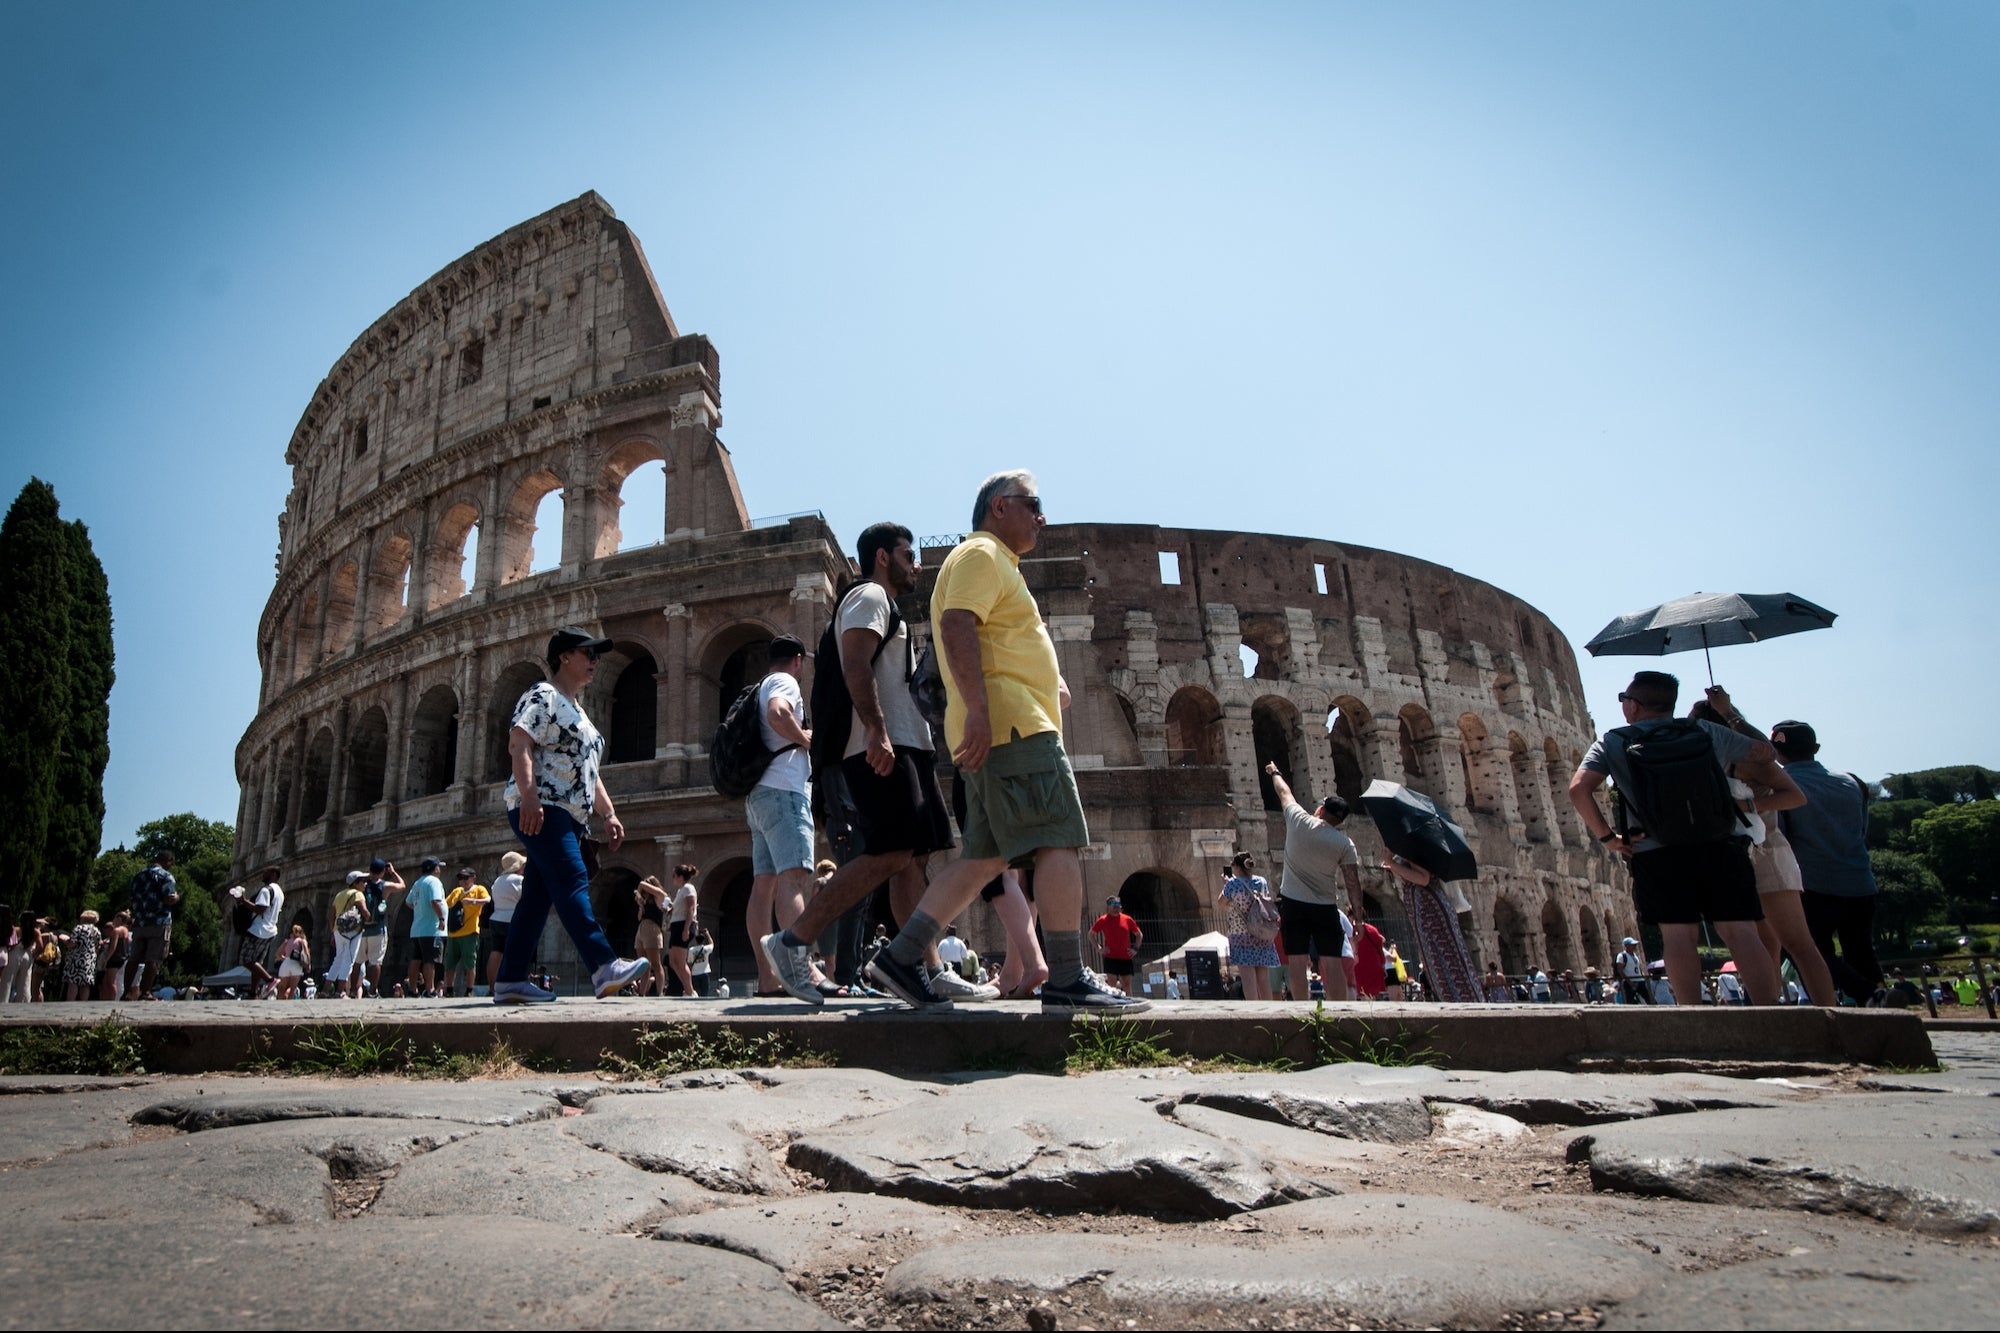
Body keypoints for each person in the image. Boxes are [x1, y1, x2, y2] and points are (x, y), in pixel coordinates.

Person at [864, 470, 1144, 1012]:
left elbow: (983, 634)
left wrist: (1040, 683)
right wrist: (982, 712)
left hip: (1004, 725)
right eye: (1033, 504)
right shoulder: (981, 556)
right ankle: (1065, 976)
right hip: (1013, 728)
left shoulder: (994, 563)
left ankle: (901, 957)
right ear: (999, 507)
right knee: (1059, 838)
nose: (1042, 517)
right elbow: (956, 625)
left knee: (984, 859)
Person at [761, 524, 971, 1006]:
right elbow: (855, 661)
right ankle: (792, 942)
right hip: (877, 744)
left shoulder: (886, 604)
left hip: (906, 743)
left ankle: (927, 967)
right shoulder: (870, 595)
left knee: (913, 857)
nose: (915, 563)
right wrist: (875, 730)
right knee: (890, 851)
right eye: (907, 553)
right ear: (882, 556)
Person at [1568, 671, 1781, 1008]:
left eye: (1624, 700)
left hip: (1657, 850)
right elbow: (1766, 753)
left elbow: (1579, 789)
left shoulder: (1614, 741)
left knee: (1678, 936)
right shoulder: (1705, 730)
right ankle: (1775, 1017)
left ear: (1634, 706)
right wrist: (1729, 713)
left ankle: (1692, 1019)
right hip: (1718, 843)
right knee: (1742, 933)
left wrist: (1609, 837)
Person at [495, 626, 650, 1004]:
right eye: (588, 653)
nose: (596, 661)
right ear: (564, 656)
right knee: (571, 877)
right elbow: (520, 744)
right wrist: (529, 796)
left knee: (536, 898)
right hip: (543, 807)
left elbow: (589, 774)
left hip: (568, 813)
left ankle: (510, 980)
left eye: (597, 656)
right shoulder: (542, 695)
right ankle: (603, 966)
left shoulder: (581, 714)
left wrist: (609, 814)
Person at [1690, 692, 1839, 1007]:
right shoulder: (1705, 763)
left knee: (1797, 943)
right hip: (1731, 857)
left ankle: (1832, 1016)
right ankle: (1770, 1011)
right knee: (1761, 944)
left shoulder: (1748, 760)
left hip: (1766, 852)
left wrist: (1748, 805)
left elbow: (1794, 796)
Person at [1769, 719, 1884, 1004]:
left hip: (1814, 883)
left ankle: (1866, 994)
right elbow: (1861, 831)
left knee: (1804, 950)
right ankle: (1880, 1005)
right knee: (1860, 949)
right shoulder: (1852, 782)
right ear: (1816, 748)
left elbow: (1782, 837)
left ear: (1775, 752)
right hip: (1859, 880)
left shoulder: (1782, 788)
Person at [744, 633, 816, 998]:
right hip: (784, 792)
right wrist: (806, 739)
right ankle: (803, 973)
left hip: (760, 796)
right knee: (795, 880)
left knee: (764, 886)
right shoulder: (784, 681)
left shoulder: (761, 684)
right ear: (798, 660)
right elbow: (778, 713)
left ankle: (768, 979)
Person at [1261, 762, 1364, 1003]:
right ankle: (1338, 1011)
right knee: (1332, 960)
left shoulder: (1299, 820)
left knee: (1296, 960)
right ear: (1341, 821)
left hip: (1293, 903)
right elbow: (1353, 883)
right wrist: (1358, 919)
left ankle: (1301, 1008)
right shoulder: (1344, 844)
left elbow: (1284, 792)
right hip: (1325, 905)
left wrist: (1275, 772)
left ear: (1320, 809)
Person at [1221, 854, 1279, 1001]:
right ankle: (1269, 1010)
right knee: (1263, 978)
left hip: (1241, 935)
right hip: (1261, 932)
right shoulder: (1262, 881)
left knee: (1248, 979)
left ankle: (1255, 1012)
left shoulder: (1232, 884)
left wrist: (1226, 884)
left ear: (1236, 866)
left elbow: (1222, 901)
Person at [125, 849, 180, 1000]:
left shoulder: (138, 875)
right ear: (168, 860)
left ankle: (127, 992)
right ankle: (145, 992)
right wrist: (176, 898)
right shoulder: (166, 876)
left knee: (134, 959)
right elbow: (168, 898)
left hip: (140, 921)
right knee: (153, 958)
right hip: (159, 921)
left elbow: (131, 899)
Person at [360, 858, 404, 997]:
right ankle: (373, 991)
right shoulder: (385, 886)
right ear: (383, 871)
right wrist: (393, 872)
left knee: (357, 962)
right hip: (377, 928)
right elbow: (402, 885)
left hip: (361, 929)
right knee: (376, 962)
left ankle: (354, 990)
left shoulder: (363, 885)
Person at [405, 857, 448, 998]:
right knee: (430, 960)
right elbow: (435, 901)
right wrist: (441, 918)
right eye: (439, 867)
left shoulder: (418, 883)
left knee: (416, 959)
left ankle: (412, 989)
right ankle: (430, 989)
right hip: (431, 928)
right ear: (435, 868)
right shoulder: (434, 881)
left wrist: (421, 910)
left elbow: (409, 902)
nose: (440, 870)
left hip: (417, 928)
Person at [443, 868, 489, 996]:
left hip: (470, 931)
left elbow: (487, 900)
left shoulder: (479, 889)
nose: (462, 881)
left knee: (469, 962)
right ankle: (449, 989)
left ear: (473, 878)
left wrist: (472, 901)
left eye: (465, 878)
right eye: (460, 878)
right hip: (454, 932)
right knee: (449, 963)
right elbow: (446, 904)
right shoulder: (457, 891)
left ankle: (469, 990)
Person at [240, 866, 285, 998]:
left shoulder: (266, 890)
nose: (263, 874)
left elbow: (260, 909)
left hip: (258, 929)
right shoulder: (280, 892)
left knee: (246, 960)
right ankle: (253, 993)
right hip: (270, 930)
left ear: (273, 874)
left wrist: (244, 901)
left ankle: (270, 980)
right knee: (257, 962)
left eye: (265, 872)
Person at [482, 852, 524, 990]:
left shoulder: (497, 881)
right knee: (515, 951)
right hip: (512, 918)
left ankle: (492, 987)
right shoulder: (519, 880)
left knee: (496, 952)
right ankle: (513, 983)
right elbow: (523, 899)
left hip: (496, 918)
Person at [1088, 897, 1143, 995]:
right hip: (1111, 957)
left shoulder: (1127, 919)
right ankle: (1113, 1003)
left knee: (1126, 984)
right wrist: (1099, 948)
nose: (1116, 909)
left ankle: (1129, 1003)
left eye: (1118, 906)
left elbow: (1139, 934)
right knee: (1111, 984)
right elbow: (1091, 934)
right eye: (1114, 906)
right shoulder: (1103, 920)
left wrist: (1135, 948)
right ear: (1108, 907)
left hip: (1125, 956)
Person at [329, 871, 370, 998]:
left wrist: (333, 931)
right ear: (355, 883)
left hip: (338, 929)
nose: (365, 884)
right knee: (349, 959)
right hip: (352, 931)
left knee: (338, 959)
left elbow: (331, 915)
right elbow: (364, 912)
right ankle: (340, 991)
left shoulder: (339, 894)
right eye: (363, 881)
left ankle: (326, 989)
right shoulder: (358, 894)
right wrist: (369, 918)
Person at [665, 864, 700, 998]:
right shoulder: (681, 891)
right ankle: (687, 988)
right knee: (672, 961)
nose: (673, 878)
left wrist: (686, 929)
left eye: (674, 876)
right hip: (676, 926)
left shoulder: (688, 888)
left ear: (680, 877)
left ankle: (690, 991)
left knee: (680, 961)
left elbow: (691, 908)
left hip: (682, 926)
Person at [633, 875, 668, 996]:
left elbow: (642, 884)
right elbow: (639, 918)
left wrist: (639, 892)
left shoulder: (659, 896)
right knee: (643, 964)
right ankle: (642, 992)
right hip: (641, 929)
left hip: (652, 929)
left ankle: (659, 992)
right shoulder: (645, 901)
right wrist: (641, 906)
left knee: (655, 963)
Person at [60, 910, 101, 1001]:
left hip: (77, 958)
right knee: (85, 982)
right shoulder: (96, 931)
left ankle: (70, 1001)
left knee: (73, 981)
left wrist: (64, 940)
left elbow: (72, 944)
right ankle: (83, 1002)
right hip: (90, 958)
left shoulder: (79, 928)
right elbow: (98, 946)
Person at [1350, 915, 1388, 999]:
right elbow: (1380, 949)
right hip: (1373, 966)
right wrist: (1382, 963)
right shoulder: (1372, 929)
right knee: (1370, 994)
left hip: (1359, 967)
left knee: (1362, 994)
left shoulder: (1350, 931)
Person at [274, 924, 311, 1000]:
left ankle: (279, 1003)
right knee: (292, 989)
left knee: (281, 988)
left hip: (286, 964)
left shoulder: (287, 941)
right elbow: (306, 953)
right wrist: (308, 964)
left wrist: (286, 959)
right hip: (296, 965)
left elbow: (277, 954)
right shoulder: (302, 941)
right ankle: (289, 1005)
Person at [1614, 937, 1652, 1005]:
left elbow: (1638, 967)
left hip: (1640, 980)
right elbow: (1620, 970)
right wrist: (1629, 981)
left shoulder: (1635, 956)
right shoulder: (1622, 956)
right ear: (1627, 946)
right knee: (1630, 1001)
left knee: (1649, 999)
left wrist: (1642, 976)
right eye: (1632, 945)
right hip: (1630, 981)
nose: (1634, 946)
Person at [687, 927, 714, 997]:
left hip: (695, 973)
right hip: (705, 972)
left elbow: (689, 961)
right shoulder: (706, 949)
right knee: (705, 992)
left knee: (696, 993)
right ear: (703, 941)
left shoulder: (691, 950)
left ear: (696, 941)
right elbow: (712, 944)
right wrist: (708, 934)